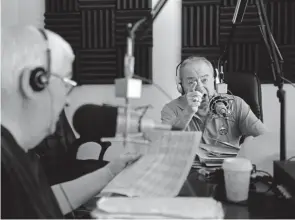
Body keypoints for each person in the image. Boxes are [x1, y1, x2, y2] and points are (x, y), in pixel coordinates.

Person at [1, 26, 140, 219]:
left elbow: (42, 202)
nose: (66, 99)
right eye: (66, 83)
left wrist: (110, 172)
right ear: (34, 82)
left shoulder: (15, 152)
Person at [161, 56, 267, 148]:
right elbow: (165, 145)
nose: (199, 88)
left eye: (204, 80)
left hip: (227, 168)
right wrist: (188, 112)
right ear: (181, 86)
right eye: (191, 82)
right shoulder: (170, 109)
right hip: (191, 169)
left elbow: (265, 138)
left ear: (214, 79)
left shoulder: (236, 104)